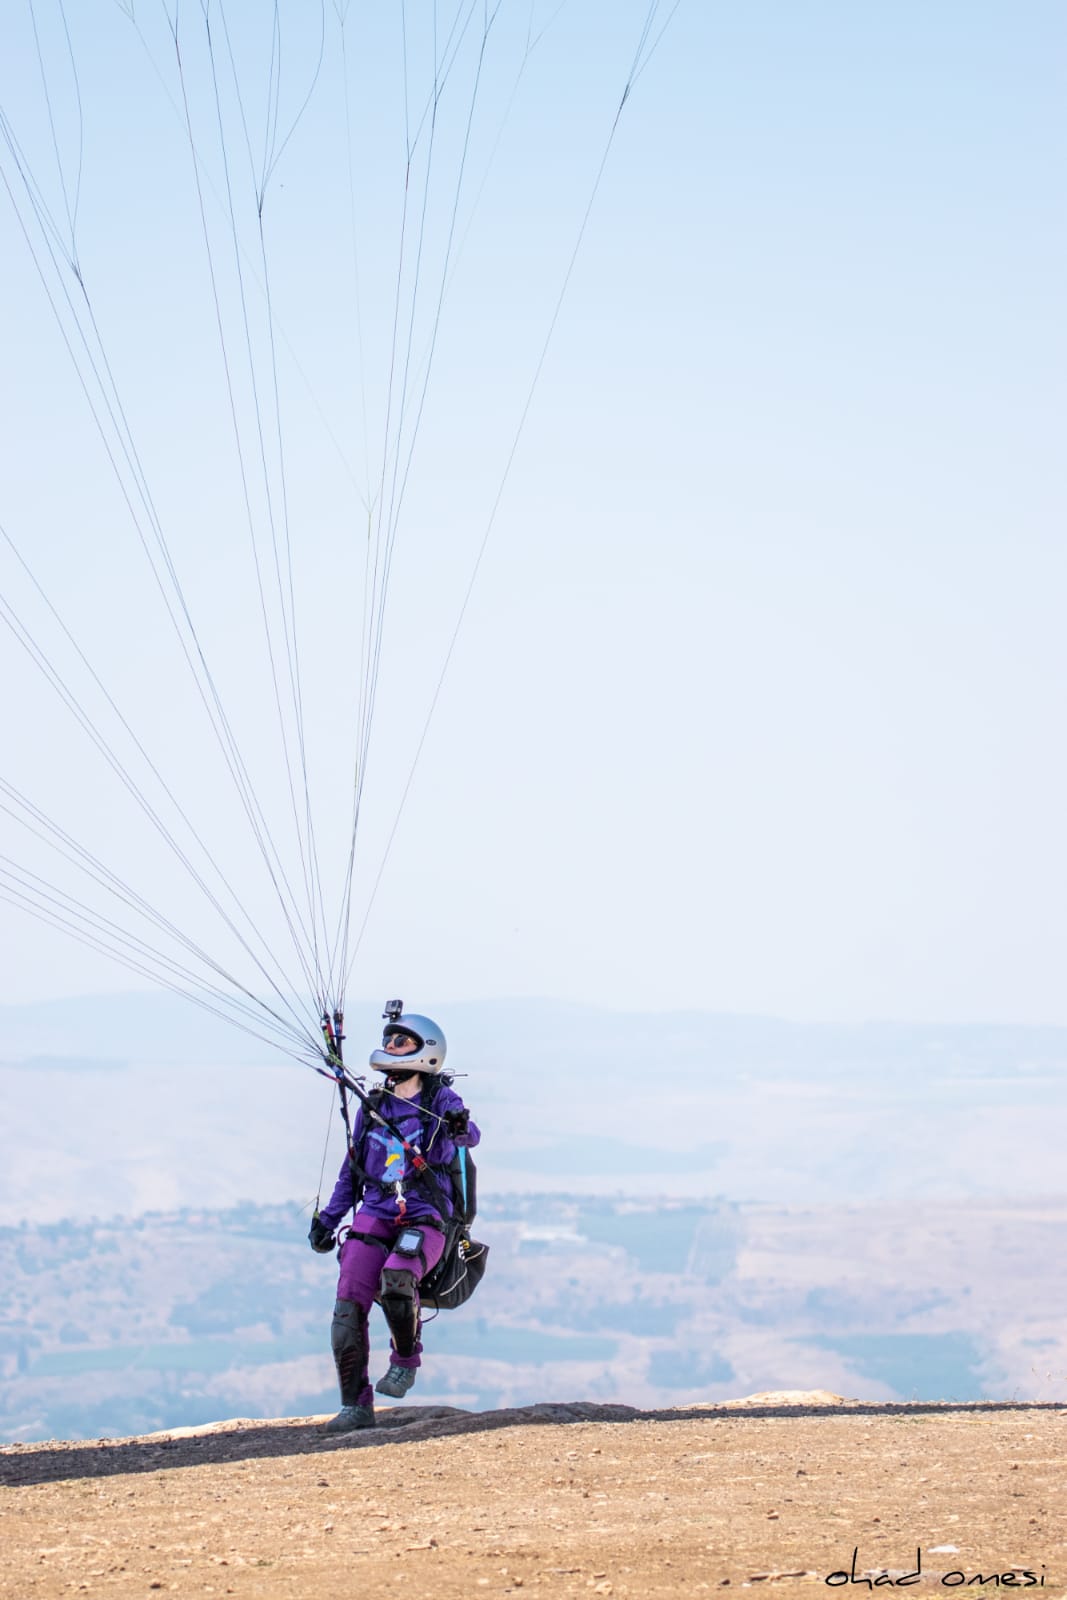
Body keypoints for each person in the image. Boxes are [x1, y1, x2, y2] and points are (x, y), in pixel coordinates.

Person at [308, 1007, 480, 1434]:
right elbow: (353, 1171)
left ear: (426, 1052)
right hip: (376, 1212)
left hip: (425, 1216)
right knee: (347, 1306)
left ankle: (405, 1361)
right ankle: (355, 1405)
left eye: (400, 1042)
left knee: (398, 1281)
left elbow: (468, 1135)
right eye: (389, 1041)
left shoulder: (440, 1101)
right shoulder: (374, 1106)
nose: (390, 1048)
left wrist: (461, 1125)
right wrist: (328, 1219)